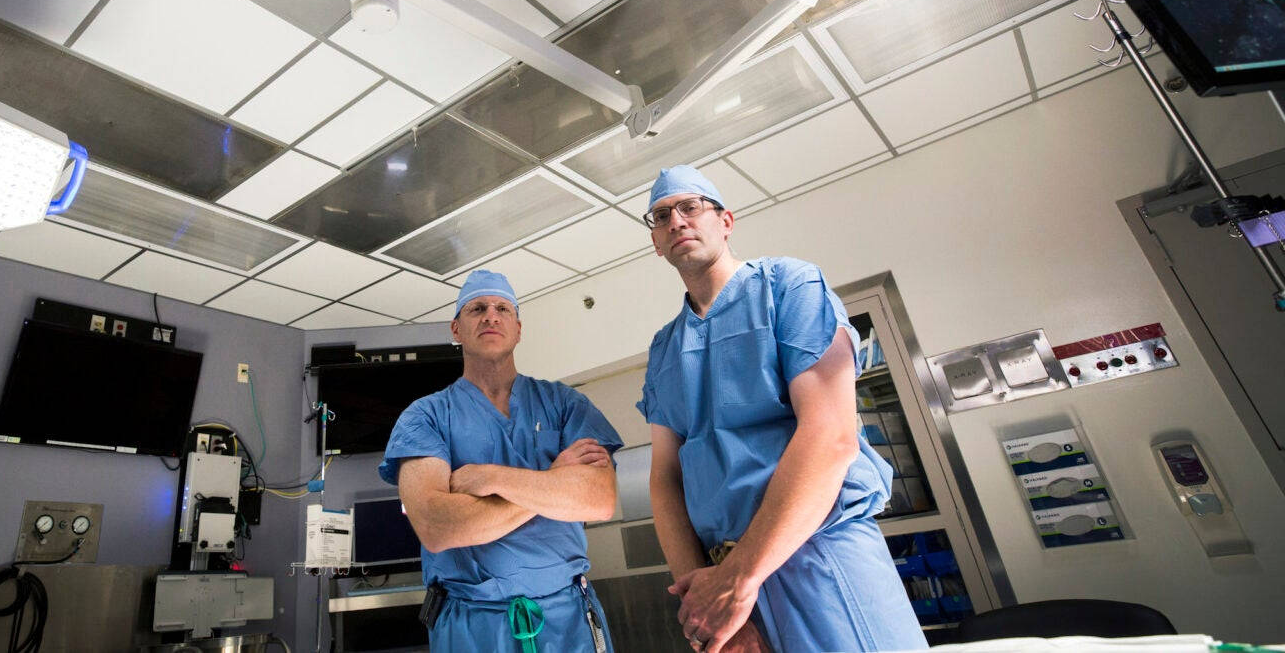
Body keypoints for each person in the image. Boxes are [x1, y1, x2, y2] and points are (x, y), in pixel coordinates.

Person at [637, 165, 926, 653]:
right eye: (662, 215)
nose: (678, 221)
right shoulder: (664, 349)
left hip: (815, 556)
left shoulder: (787, 286)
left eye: (691, 207)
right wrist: (705, 602)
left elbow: (831, 436)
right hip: (724, 582)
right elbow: (665, 478)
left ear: (726, 221)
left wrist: (740, 578)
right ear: (656, 243)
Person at [380, 270, 623, 653]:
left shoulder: (564, 405)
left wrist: (491, 477)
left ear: (518, 329)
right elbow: (436, 525)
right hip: (473, 624)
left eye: (502, 308)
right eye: (477, 308)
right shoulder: (425, 417)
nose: (491, 316)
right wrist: (554, 481)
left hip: (568, 621)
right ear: (457, 328)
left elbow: (598, 499)